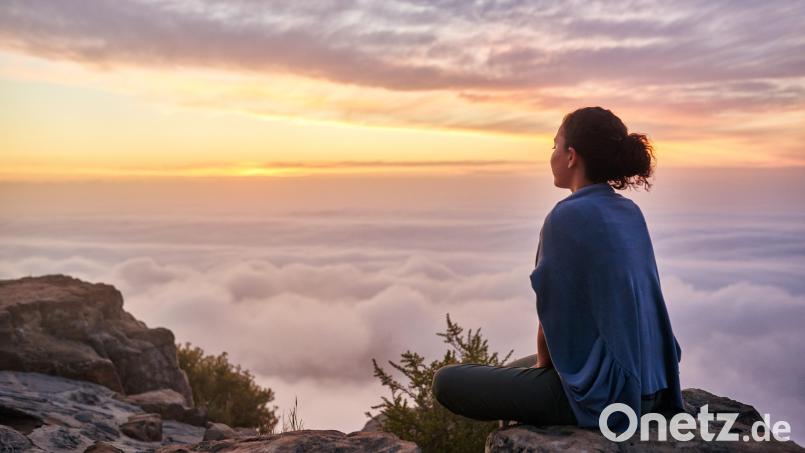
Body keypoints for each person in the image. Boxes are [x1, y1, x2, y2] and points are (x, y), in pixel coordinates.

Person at [431, 106, 685, 433]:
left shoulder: (566, 217)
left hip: (613, 399)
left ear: (571, 157)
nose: (551, 155)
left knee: (447, 381)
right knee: (512, 369)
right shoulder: (629, 211)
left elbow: (554, 319)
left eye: (555, 146)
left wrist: (542, 373)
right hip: (654, 385)